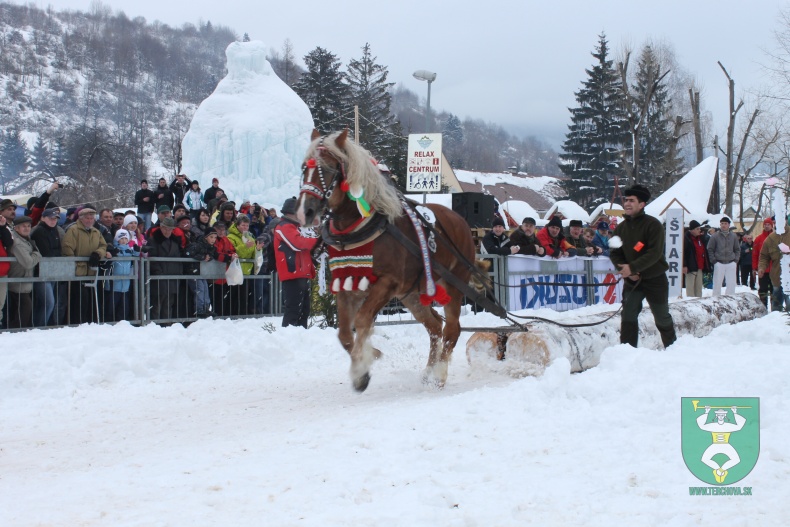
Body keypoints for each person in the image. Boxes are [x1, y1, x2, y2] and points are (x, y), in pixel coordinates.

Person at [609, 184, 676, 348]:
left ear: (642, 204)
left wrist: (632, 268)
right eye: (626, 200)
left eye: (632, 200)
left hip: (655, 279)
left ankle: (673, 349)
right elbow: (614, 252)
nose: (627, 203)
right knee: (628, 315)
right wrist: (625, 270)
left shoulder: (653, 225)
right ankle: (627, 351)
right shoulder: (620, 228)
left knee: (661, 316)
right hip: (633, 281)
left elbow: (654, 253)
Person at [273, 197, 319, 327]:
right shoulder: (284, 227)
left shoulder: (293, 227)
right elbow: (298, 244)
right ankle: (289, 339)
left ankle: (298, 338)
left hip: (300, 274)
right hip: (293, 273)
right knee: (293, 311)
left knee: (303, 311)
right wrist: (319, 242)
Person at [61, 208, 111, 324]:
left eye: (91, 218)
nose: (89, 221)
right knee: (79, 302)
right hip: (78, 273)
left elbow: (103, 246)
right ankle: (76, 324)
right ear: (81, 218)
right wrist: (75, 265)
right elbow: (67, 248)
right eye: (87, 218)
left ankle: (90, 324)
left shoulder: (96, 232)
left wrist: (97, 253)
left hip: (92, 272)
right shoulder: (73, 230)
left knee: (90, 301)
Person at [30, 207, 67, 326]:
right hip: (41, 272)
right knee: (48, 302)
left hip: (52, 270)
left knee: (47, 302)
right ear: (43, 218)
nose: (53, 221)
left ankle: (42, 324)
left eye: (55, 218)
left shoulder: (55, 230)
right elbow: (46, 252)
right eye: (50, 218)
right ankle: (40, 326)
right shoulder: (39, 231)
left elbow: (58, 250)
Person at [145, 217, 185, 323]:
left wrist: (179, 272)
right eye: (166, 228)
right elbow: (152, 259)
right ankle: (155, 326)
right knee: (156, 304)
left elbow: (179, 258)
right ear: (161, 227)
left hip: (172, 276)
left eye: (170, 229)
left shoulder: (175, 241)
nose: (168, 231)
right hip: (159, 277)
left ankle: (166, 326)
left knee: (168, 305)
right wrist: (158, 272)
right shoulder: (153, 240)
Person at [6, 216, 42, 328]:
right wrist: (37, 254)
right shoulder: (18, 243)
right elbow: (28, 263)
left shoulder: (26, 239)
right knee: (24, 310)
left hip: (24, 281)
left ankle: (19, 331)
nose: (27, 228)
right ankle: (17, 332)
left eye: (28, 226)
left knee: (22, 310)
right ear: (16, 228)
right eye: (23, 226)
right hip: (18, 282)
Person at [104, 229, 139, 322]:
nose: (124, 240)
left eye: (125, 238)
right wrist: (112, 255)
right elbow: (107, 263)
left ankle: (122, 322)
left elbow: (134, 260)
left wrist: (137, 252)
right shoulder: (115, 250)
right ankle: (109, 322)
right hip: (113, 285)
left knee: (124, 307)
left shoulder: (129, 251)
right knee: (111, 306)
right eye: (121, 238)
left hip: (125, 284)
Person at [757, 214, 790, 312]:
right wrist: (762, 267)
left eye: (781, 220)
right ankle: (776, 324)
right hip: (777, 277)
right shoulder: (770, 239)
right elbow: (764, 256)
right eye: (775, 222)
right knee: (776, 308)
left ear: (786, 221)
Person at [184, 227, 219, 317]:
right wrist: (202, 257)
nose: (213, 240)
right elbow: (187, 253)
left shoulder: (211, 247)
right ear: (206, 237)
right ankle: (199, 308)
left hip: (202, 272)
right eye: (211, 237)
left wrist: (209, 257)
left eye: (215, 237)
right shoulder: (197, 245)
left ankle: (206, 308)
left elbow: (212, 255)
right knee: (200, 289)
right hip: (193, 272)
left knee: (205, 288)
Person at [707, 217, 740, 296]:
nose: (723, 225)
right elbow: (710, 248)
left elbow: (737, 249)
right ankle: (716, 299)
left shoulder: (733, 236)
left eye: (725, 223)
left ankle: (730, 299)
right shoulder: (715, 236)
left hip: (731, 262)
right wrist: (714, 260)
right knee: (717, 283)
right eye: (722, 223)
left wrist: (736, 260)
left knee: (731, 284)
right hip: (719, 262)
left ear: (729, 225)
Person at [682, 220, 711, 298]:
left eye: (699, 228)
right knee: (690, 287)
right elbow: (683, 253)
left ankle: (699, 301)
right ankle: (690, 302)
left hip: (699, 266)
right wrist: (684, 265)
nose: (699, 230)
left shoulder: (700, 239)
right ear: (692, 230)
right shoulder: (686, 238)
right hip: (691, 266)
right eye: (697, 229)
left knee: (699, 287)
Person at [752, 218, 775, 308]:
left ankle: (775, 307)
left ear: (771, 225)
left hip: (774, 269)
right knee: (763, 289)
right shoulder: (758, 239)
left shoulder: (776, 238)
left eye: (768, 224)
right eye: (765, 224)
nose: (766, 226)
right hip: (763, 269)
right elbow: (755, 254)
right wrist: (754, 267)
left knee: (774, 289)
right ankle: (763, 307)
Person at [0, 201, 14, 329]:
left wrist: (2, 227)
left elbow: (9, 242)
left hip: (2, 272)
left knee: (0, 304)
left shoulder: (3, 226)